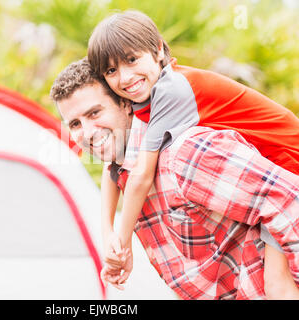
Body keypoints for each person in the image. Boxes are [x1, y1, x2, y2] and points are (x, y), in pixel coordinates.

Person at [86, 10, 299, 297]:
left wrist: (122, 245)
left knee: (277, 286)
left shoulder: (171, 91)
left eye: (132, 59)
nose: (125, 77)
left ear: (158, 49)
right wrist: (107, 232)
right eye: (111, 71)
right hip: (266, 172)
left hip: (288, 162)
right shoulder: (142, 98)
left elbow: (140, 176)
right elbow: (117, 165)